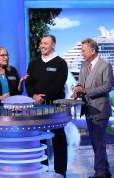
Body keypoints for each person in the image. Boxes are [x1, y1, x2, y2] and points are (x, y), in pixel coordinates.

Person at [25, 34, 68, 177]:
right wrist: (33, 96)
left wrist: (43, 97)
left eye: (46, 43)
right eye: (41, 43)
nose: (42, 46)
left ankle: (60, 171)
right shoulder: (33, 64)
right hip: (37, 106)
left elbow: (58, 85)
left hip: (56, 107)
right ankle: (42, 169)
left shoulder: (61, 63)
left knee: (58, 138)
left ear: (53, 45)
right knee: (39, 138)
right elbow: (28, 82)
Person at [71, 38, 113, 178]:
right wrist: (77, 91)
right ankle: (105, 171)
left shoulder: (105, 65)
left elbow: (107, 87)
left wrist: (86, 90)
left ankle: (99, 174)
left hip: (100, 110)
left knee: (99, 143)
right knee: (96, 143)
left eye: (83, 50)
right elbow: (81, 84)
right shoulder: (84, 66)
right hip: (87, 109)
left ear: (93, 50)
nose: (81, 53)